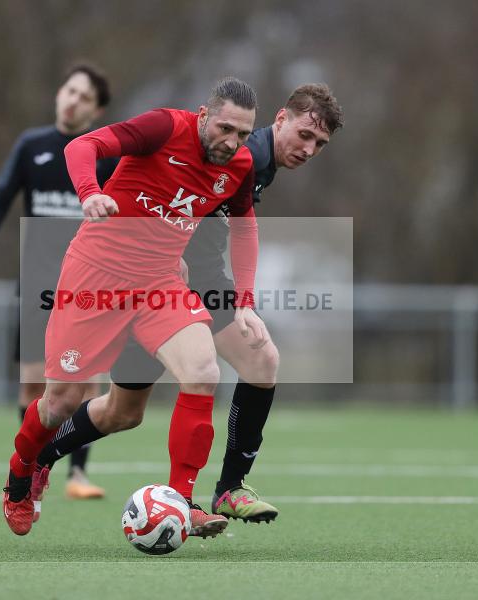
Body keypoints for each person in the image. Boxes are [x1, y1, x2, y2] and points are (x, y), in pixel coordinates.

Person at [25, 84, 344, 524]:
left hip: (189, 285)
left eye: (319, 144)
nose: (309, 149)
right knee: (128, 408)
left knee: (132, 410)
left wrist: (241, 297)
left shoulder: (257, 163)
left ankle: (220, 490)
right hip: (168, 283)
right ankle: (42, 457)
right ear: (280, 119)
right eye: (304, 135)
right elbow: (157, 181)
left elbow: (221, 217)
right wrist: (155, 243)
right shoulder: (243, 150)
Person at [2, 77, 266, 539]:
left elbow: (244, 227)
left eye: (243, 134)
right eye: (225, 129)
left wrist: (244, 300)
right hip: (94, 277)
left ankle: (182, 502)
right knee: (59, 403)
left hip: (159, 284)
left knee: (203, 371)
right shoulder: (164, 127)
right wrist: (90, 192)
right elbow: (82, 146)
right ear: (204, 116)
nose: (233, 142)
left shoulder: (239, 165)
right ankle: (22, 470)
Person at [0, 64, 116, 501]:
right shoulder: (32, 145)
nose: (73, 101)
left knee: (86, 384)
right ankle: (30, 466)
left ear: (97, 110)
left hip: (88, 283)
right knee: (32, 385)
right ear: (59, 93)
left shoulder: (106, 155)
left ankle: (77, 474)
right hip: (37, 281)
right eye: (70, 90)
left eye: (85, 97)